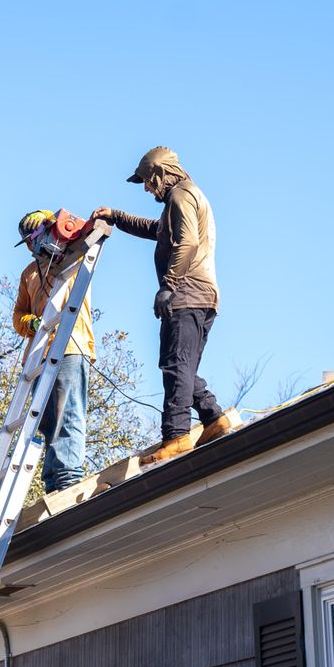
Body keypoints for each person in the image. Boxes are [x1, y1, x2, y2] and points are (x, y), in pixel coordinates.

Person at [92, 146, 230, 464]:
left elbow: (187, 243)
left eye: (147, 180)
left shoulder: (182, 195)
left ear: (160, 174)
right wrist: (117, 217)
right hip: (198, 294)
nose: (146, 187)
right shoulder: (181, 200)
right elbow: (158, 231)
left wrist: (168, 288)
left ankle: (177, 436)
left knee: (176, 366)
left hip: (188, 293)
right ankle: (213, 418)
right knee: (179, 364)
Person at [13, 209, 95, 493]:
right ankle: (53, 484)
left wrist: (65, 232)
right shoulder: (29, 273)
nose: (30, 247)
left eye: (34, 238)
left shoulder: (73, 256)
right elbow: (18, 315)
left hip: (69, 346)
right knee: (47, 423)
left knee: (67, 414)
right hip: (37, 356)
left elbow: (86, 233)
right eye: (27, 242)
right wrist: (32, 323)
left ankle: (68, 478)